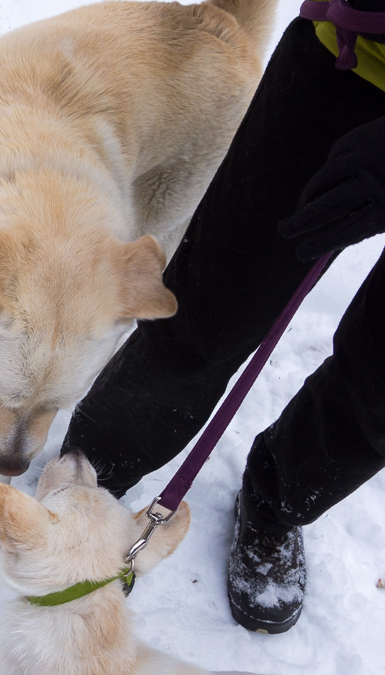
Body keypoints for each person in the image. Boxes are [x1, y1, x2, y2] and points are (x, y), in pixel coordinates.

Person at [62, 0, 385, 633]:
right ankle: (90, 474)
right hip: (354, 61)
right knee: (207, 304)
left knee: (380, 393)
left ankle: (278, 502)